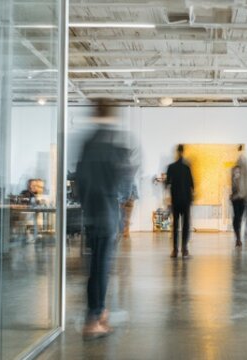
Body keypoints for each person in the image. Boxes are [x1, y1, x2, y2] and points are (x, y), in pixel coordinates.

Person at [75, 99, 139, 339]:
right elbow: (123, 184)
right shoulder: (113, 143)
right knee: (101, 268)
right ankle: (94, 318)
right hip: (107, 215)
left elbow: (79, 182)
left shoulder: (87, 142)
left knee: (94, 268)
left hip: (91, 214)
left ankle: (97, 312)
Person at [165, 144, 194, 258]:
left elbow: (167, 184)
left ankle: (175, 250)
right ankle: (184, 249)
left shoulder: (171, 167)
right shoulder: (187, 168)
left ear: (177, 152)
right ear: (183, 152)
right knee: (185, 226)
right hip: (186, 201)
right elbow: (192, 185)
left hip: (176, 200)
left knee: (175, 226)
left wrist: (168, 198)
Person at [229, 145, 247, 247]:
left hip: (242, 197)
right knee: (238, 218)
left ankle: (240, 237)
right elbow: (234, 183)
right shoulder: (237, 168)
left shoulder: (243, 169)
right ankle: (239, 238)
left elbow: (246, 183)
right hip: (238, 197)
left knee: (238, 218)